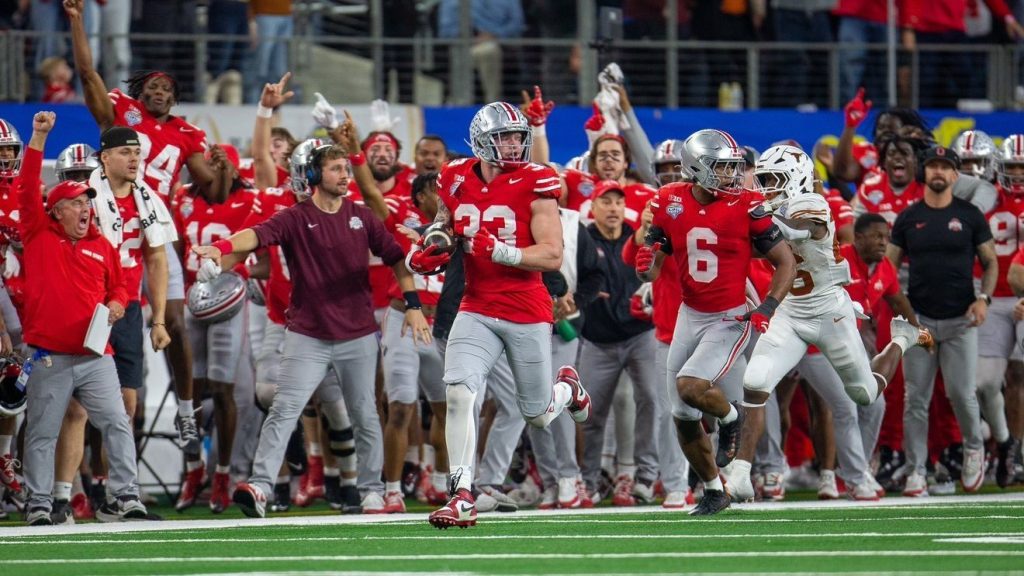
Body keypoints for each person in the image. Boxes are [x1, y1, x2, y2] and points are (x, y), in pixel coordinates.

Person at [193, 143, 430, 517]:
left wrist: (414, 305)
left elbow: (397, 259)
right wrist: (220, 247)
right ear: (316, 176)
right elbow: (254, 236)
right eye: (336, 169)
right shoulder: (294, 217)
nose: (345, 175)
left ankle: (371, 490)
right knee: (284, 409)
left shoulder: (362, 216)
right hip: (307, 334)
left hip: (357, 333)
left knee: (365, 413)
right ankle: (260, 486)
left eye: (344, 168)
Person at [409, 102, 590, 529]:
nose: (513, 145)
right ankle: (462, 495)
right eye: (504, 137)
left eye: (517, 137)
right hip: (475, 306)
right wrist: (431, 247)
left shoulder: (537, 179)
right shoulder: (454, 176)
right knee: (458, 393)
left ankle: (567, 390)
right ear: (480, 140)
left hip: (526, 309)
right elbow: (446, 221)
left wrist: (500, 251)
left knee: (538, 414)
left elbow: (551, 254)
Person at [724, 146, 932, 502]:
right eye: (764, 181)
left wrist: (753, 213)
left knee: (864, 394)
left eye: (773, 180)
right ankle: (741, 474)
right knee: (755, 382)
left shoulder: (813, 205)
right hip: (790, 311)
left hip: (829, 312)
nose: (767, 187)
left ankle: (900, 339)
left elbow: (794, 229)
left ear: (795, 177)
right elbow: (756, 247)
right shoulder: (771, 209)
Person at [66, 0, 215, 451]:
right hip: (110, 226)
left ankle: (186, 413)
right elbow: (90, 77)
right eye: (151, 84)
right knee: (101, 322)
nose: (158, 90)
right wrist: (77, 23)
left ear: (175, 96)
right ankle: (92, 444)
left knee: (173, 320)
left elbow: (210, 185)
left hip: (152, 226)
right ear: (139, 91)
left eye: (166, 87)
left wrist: (225, 169)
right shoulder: (121, 113)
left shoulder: (188, 133)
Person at [635, 129, 796, 516]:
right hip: (690, 314)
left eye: (732, 167)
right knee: (682, 413)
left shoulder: (747, 205)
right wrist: (647, 265)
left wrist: (768, 307)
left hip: (730, 314)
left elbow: (786, 262)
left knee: (690, 386)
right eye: (721, 167)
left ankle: (731, 417)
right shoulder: (669, 200)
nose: (730, 175)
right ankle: (712, 489)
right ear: (695, 169)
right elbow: (654, 264)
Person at [19, 111, 146, 525]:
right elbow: (25, 187)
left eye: (86, 201)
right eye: (75, 202)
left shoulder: (103, 247)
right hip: (49, 356)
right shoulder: (38, 235)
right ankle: (38, 503)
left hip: (96, 356)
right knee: (41, 432)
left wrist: (118, 304)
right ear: (55, 211)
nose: (85, 208)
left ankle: (126, 495)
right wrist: (39, 137)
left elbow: (121, 287)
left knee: (117, 424)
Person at [888, 145, 997, 496]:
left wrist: (984, 299)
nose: (938, 172)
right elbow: (889, 268)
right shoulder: (908, 217)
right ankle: (916, 469)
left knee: (962, 394)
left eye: (944, 167)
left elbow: (991, 262)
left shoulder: (970, 215)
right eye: (932, 166)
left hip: (961, 318)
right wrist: (902, 311)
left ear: (955, 175)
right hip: (919, 320)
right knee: (915, 399)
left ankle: (974, 449)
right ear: (925, 173)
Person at [578, 180, 659, 506]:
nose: (612, 208)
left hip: (641, 334)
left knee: (652, 402)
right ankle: (588, 482)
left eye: (617, 202)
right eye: (605, 201)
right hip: (598, 340)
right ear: (592, 207)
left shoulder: (637, 235)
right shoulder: (583, 238)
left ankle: (646, 478)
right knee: (589, 414)